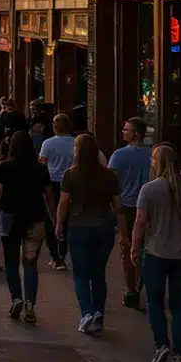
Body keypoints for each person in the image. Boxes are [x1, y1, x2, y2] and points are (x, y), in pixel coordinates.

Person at [131, 143, 181, 362]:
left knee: (154, 300)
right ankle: (179, 356)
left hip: (156, 252)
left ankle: (161, 345)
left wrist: (135, 247)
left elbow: (140, 222)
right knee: (179, 304)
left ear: (157, 163)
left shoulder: (149, 190)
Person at [56, 133, 121, 335]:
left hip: (79, 226)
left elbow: (64, 203)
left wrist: (59, 223)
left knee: (81, 274)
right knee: (98, 273)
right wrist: (122, 231)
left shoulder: (71, 174)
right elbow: (118, 206)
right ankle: (98, 313)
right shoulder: (109, 175)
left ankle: (87, 312)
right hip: (103, 228)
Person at [0, 130, 49, 324]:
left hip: (10, 216)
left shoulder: (4, 167)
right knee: (30, 262)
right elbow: (49, 194)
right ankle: (30, 303)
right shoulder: (40, 168)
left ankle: (16, 297)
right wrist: (54, 216)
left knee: (11, 260)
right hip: (35, 217)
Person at [109, 116, 152, 309]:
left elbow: (110, 182)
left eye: (127, 130)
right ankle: (140, 284)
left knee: (126, 248)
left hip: (126, 207)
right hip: (148, 207)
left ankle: (131, 289)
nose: (123, 132)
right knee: (146, 249)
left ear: (137, 134)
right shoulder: (152, 155)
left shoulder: (119, 155)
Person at [39, 113, 77, 269]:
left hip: (52, 183)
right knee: (68, 219)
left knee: (51, 219)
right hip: (71, 184)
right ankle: (63, 252)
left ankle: (55, 256)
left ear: (55, 126)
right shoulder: (75, 143)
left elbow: (42, 163)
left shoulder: (47, 144)